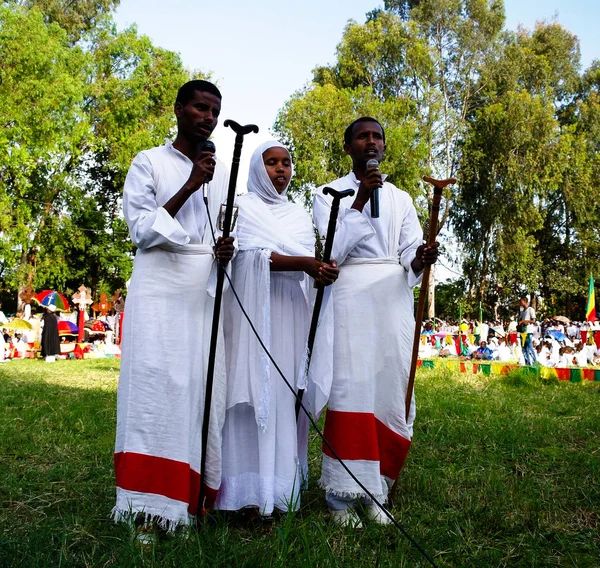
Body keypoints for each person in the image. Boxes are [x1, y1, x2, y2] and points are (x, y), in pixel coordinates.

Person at [113, 80, 235, 534]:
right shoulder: (149, 162)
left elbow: (223, 230)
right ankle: (145, 508)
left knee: (196, 391)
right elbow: (142, 230)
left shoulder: (220, 174)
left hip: (202, 292)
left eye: (215, 111)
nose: (208, 117)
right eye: (201, 108)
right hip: (159, 291)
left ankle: (188, 502)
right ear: (179, 109)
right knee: (155, 390)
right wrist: (190, 183)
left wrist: (226, 249)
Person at [313, 117, 439, 527]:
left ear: (384, 147)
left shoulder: (401, 198)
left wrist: (422, 257)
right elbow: (332, 250)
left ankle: (377, 489)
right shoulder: (328, 193)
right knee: (351, 389)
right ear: (348, 147)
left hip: (393, 299)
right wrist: (360, 198)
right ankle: (341, 495)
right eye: (363, 136)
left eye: (377, 136)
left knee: (389, 387)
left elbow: (409, 252)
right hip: (350, 296)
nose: (371, 142)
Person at [216, 141, 338, 517]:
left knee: (285, 399)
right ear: (257, 168)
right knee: (250, 397)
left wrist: (319, 272)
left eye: (286, 163)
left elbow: (306, 269)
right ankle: (243, 497)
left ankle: (281, 493)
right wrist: (304, 262)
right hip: (251, 314)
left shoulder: (299, 215)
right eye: (271, 163)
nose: (281, 170)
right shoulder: (243, 208)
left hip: (289, 314)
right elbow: (245, 257)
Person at [518, 296, 537, 366]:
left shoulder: (530, 309)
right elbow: (519, 320)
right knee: (524, 349)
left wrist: (524, 321)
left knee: (530, 348)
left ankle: (534, 363)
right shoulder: (522, 311)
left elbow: (533, 320)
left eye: (521, 302)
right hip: (522, 332)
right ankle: (527, 363)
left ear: (525, 302)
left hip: (528, 331)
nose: (520, 303)